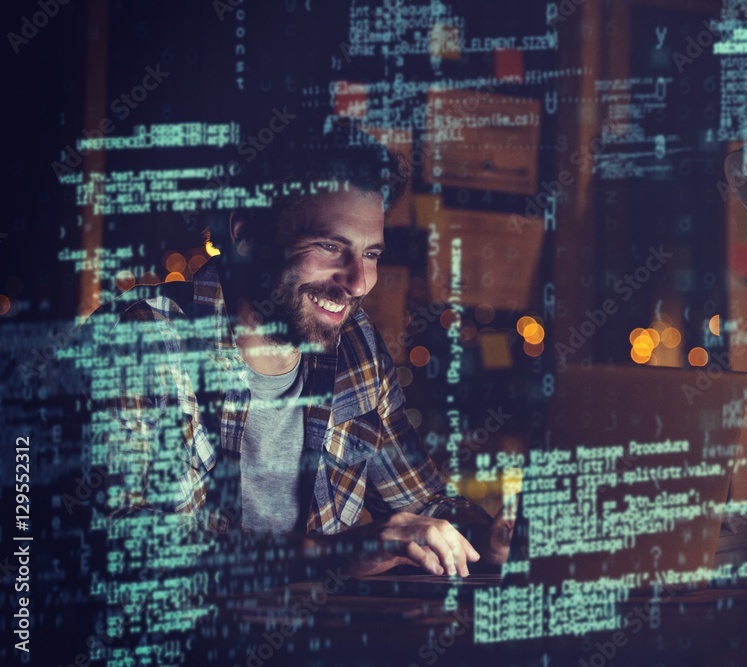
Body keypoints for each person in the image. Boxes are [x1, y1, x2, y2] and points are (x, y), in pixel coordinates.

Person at [89, 120, 512, 579]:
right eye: (331, 246)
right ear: (246, 235)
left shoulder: (356, 345)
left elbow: (421, 501)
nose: (357, 282)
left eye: (371, 254)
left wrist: (487, 537)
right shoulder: (139, 341)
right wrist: (334, 556)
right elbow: (133, 550)